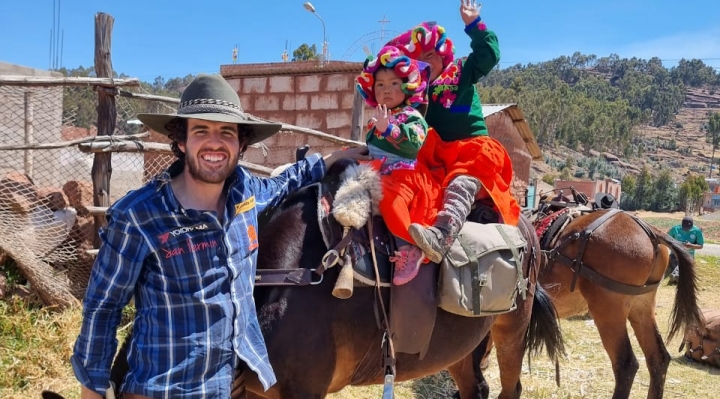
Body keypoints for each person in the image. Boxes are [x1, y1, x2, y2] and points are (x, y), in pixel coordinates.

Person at [71, 74, 369, 399]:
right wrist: (92, 390)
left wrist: (330, 160)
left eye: (226, 132)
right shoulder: (138, 215)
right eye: (201, 130)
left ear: (241, 144)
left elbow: (284, 182)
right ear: (181, 140)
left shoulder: (245, 194)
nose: (215, 143)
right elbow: (103, 308)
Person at [386, 0, 521, 263]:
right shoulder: (414, 96)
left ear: (441, 54)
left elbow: (488, 55)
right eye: (416, 61)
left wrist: (473, 23)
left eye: (429, 56)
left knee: (461, 182)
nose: (425, 64)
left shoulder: (460, 71)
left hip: (471, 151)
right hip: (437, 158)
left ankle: (441, 237)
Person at [356, 45, 440, 285]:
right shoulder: (378, 119)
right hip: (379, 171)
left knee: (387, 196)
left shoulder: (412, 116)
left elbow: (413, 143)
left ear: (407, 87)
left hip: (404, 178)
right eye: (380, 85)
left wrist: (389, 129)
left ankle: (409, 247)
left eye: (394, 83)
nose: (386, 90)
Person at [666, 215, 704, 284]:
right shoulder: (675, 229)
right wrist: (676, 245)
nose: (686, 229)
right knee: (677, 261)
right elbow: (667, 239)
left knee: (683, 263)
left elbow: (701, 246)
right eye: (685, 228)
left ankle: (675, 275)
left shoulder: (697, 231)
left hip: (689, 255)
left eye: (688, 228)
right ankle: (677, 275)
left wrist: (691, 245)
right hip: (675, 254)